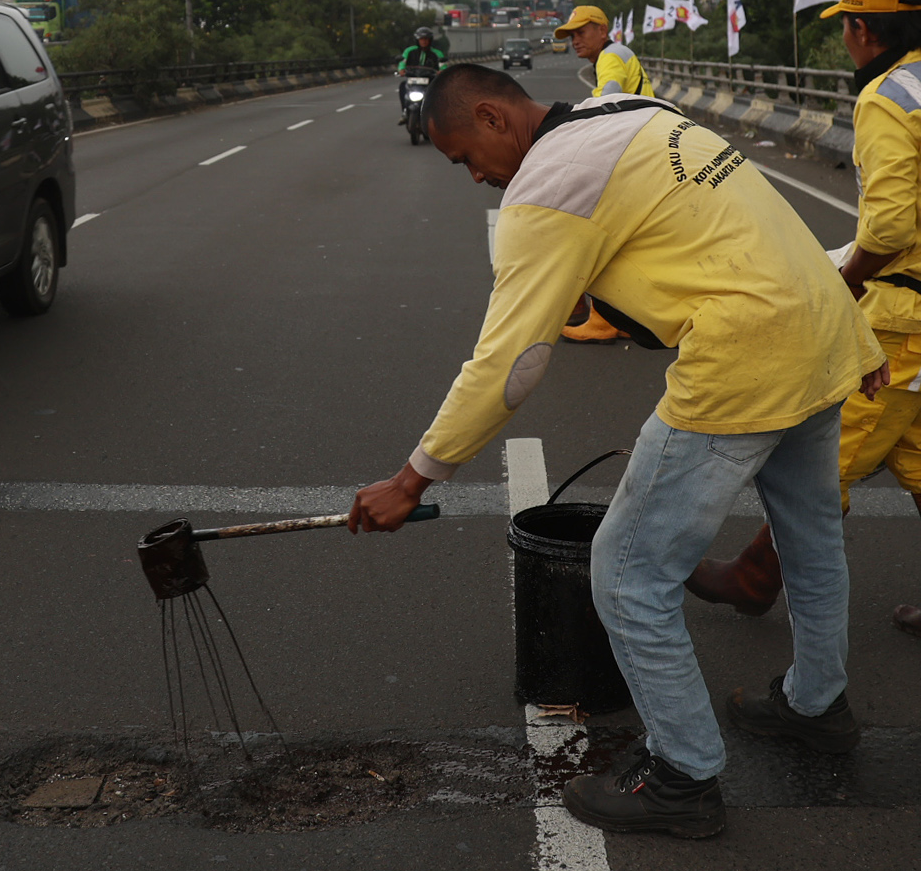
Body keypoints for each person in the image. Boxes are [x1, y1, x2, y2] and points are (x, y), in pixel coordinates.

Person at [348, 64, 889, 840]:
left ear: (495, 119)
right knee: (810, 539)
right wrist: (856, 335)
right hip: (817, 332)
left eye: (465, 157)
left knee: (629, 573)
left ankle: (682, 775)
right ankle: (815, 704)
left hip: (744, 359)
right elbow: (762, 223)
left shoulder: (546, 187)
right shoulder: (633, 110)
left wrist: (413, 478)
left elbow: (511, 364)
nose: (474, 179)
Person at [688, 0, 921, 650]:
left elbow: (890, 227)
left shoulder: (886, 98)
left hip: (907, 319)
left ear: (864, 29)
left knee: (821, 462)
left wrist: (846, 280)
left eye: (847, 28)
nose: (845, 41)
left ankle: (753, 581)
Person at [548, 5, 648, 342]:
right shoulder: (614, 54)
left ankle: (602, 319)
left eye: (580, 32)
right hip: (639, 145)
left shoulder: (609, 57)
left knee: (590, 227)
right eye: (571, 35)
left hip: (629, 150)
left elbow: (610, 97)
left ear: (602, 31)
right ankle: (618, 315)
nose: (575, 40)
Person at [394, 27, 447, 124]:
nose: (424, 41)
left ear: (430, 40)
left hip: (430, 81)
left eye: (426, 39)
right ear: (417, 40)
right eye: (421, 39)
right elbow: (402, 62)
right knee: (402, 86)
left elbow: (443, 66)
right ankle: (404, 112)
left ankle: (438, 116)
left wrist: (441, 72)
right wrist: (401, 70)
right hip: (413, 80)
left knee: (440, 92)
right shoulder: (409, 51)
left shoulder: (437, 53)